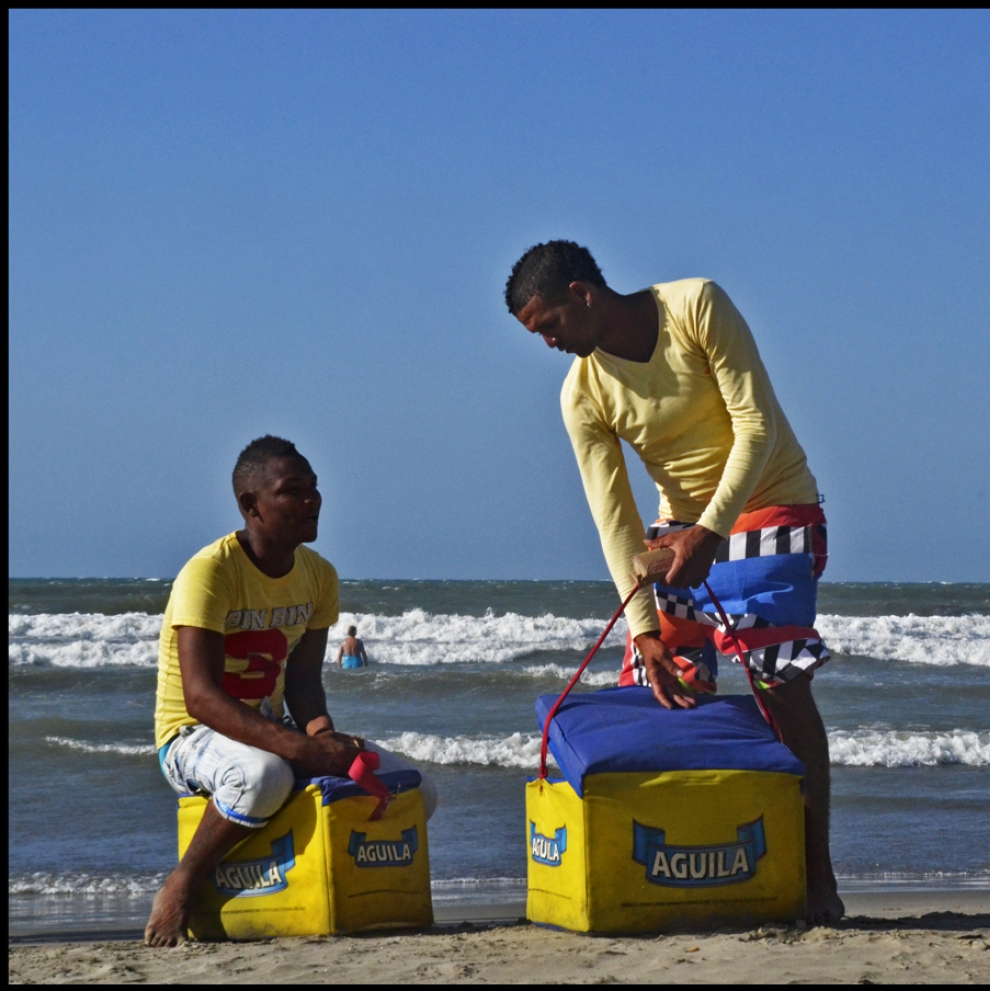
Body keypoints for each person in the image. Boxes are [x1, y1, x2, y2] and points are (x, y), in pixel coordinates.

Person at [506, 240, 843, 924]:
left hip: (772, 501)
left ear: (583, 294)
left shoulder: (695, 306)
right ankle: (695, 865)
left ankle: (817, 873)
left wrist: (712, 532)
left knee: (779, 681)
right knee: (664, 684)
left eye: (549, 326)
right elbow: (615, 520)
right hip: (681, 529)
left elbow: (758, 425)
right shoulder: (582, 393)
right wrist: (646, 630)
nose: (547, 343)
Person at [145, 436, 433, 947]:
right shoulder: (210, 572)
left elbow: (303, 684)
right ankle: (184, 880)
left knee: (413, 787)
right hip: (191, 739)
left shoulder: (319, 576)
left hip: (273, 732)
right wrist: (302, 749)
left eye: (314, 488)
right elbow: (201, 698)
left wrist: (326, 737)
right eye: (292, 490)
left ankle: (348, 885)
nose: (312, 500)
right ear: (250, 506)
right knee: (264, 774)